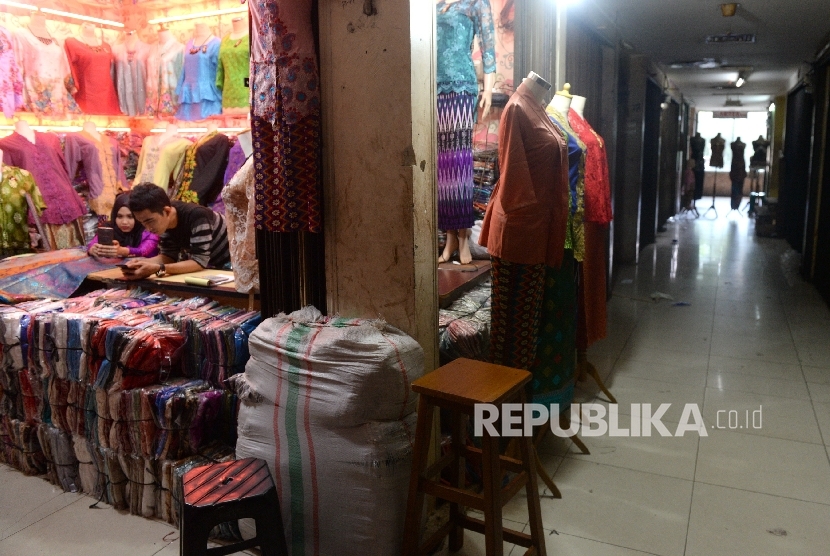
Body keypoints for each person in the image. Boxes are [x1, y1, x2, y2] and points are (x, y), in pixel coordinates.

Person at [121, 183, 229, 280]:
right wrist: (142, 263)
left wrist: (158, 269)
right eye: (142, 223)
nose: (148, 228)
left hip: (232, 266)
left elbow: (199, 262)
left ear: (167, 211)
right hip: (214, 267)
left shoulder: (198, 216)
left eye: (150, 221)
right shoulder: (163, 222)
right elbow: (168, 256)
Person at [88, 192, 160, 258]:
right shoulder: (108, 228)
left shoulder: (149, 229)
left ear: (138, 217)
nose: (124, 222)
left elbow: (143, 251)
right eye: (119, 216)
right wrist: (93, 249)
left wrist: (123, 251)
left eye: (130, 217)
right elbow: (93, 244)